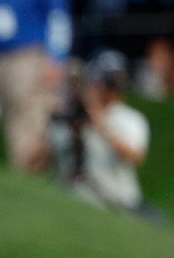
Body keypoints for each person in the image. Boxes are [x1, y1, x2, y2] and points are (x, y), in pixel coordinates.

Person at [48, 50, 155, 219]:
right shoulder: (72, 116)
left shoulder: (130, 118)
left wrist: (101, 127)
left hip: (121, 199)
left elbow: (136, 156)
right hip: (77, 194)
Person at [0, 0, 72, 172]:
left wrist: (56, 57)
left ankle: (29, 172)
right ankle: (18, 170)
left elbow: (58, 17)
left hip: (29, 54)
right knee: (11, 116)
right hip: (1, 57)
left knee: (30, 117)